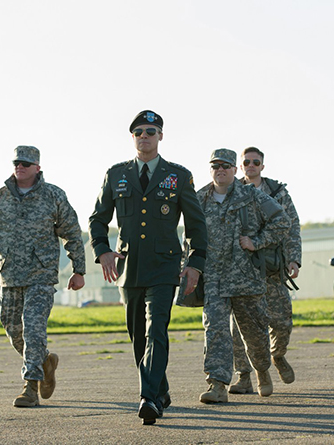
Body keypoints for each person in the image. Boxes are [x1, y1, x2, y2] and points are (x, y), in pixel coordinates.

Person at [88, 110, 208, 425]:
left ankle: (149, 399)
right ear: (133, 137)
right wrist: (102, 251)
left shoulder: (178, 175)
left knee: (157, 328)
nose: (145, 136)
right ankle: (162, 388)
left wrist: (194, 264)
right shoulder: (116, 174)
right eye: (139, 131)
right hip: (129, 268)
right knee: (138, 337)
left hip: (165, 266)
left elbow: (196, 225)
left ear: (160, 137)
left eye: (151, 131)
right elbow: (98, 219)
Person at [0, 145, 86, 407]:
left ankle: (30, 386)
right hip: (9, 275)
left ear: (37, 168)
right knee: (12, 327)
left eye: (25, 163)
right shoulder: (0, 196)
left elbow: (72, 233)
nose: (19, 166)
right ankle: (44, 361)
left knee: (33, 328)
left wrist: (79, 269)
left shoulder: (53, 195)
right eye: (16, 162)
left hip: (41, 275)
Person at [196, 148, 290, 403]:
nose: (221, 170)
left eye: (226, 166)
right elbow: (190, 236)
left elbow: (282, 222)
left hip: (247, 278)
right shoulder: (200, 198)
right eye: (216, 166)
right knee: (214, 329)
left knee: (255, 335)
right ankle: (217, 384)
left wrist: (257, 242)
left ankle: (262, 369)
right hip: (214, 277)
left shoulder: (251, 195)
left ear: (235, 170)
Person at [229, 147, 302, 394]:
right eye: (246, 162)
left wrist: (294, 260)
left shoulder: (278, 193)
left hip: (272, 268)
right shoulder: (232, 192)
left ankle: (277, 355)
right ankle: (244, 376)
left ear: (262, 166)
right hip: (241, 270)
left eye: (255, 162)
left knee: (282, 322)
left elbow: (292, 227)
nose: (251, 165)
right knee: (239, 329)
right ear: (240, 167)